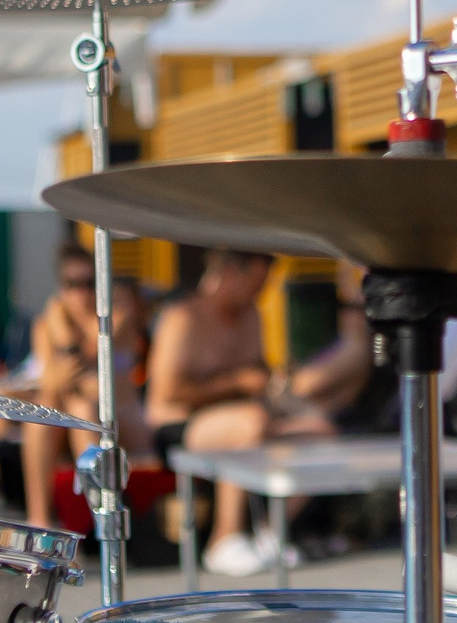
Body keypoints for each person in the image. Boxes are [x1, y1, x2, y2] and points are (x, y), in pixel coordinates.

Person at [146, 249, 293, 577]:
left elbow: (256, 369)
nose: (261, 291)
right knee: (248, 425)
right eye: (256, 283)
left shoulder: (251, 314)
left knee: (317, 428)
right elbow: (167, 392)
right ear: (230, 272)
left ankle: (269, 533)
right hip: (175, 424)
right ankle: (223, 539)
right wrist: (237, 383)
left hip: (236, 417)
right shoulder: (183, 317)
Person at [18, 245, 151, 530]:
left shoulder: (117, 316)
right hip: (80, 418)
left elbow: (89, 357)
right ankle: (40, 520)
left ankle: (92, 522)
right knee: (42, 421)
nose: (83, 293)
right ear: (60, 288)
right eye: (73, 284)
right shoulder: (45, 325)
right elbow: (52, 386)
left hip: (125, 422)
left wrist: (62, 330)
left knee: (82, 408)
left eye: (90, 283)